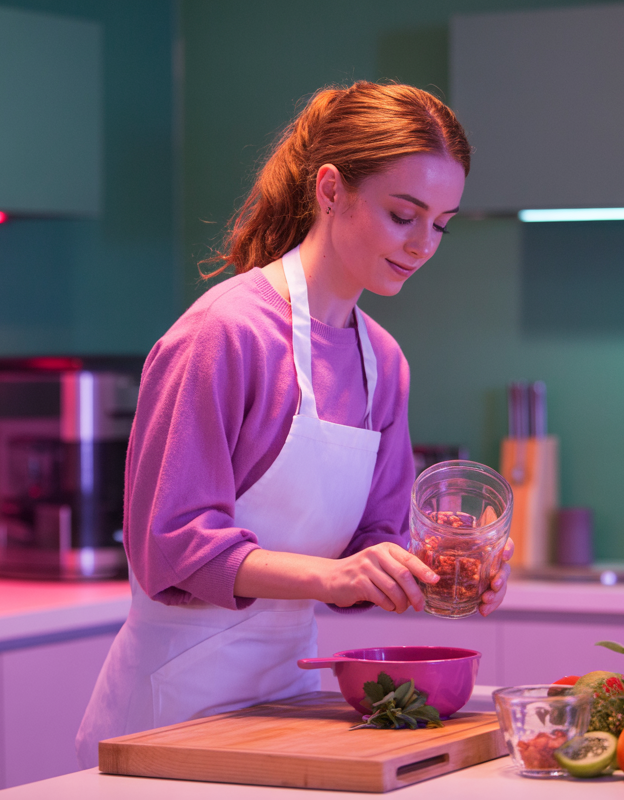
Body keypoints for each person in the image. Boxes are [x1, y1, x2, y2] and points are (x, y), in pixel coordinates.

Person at [75, 81, 513, 767]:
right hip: (173, 703)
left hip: (284, 697)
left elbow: (372, 542)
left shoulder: (383, 363)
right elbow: (171, 546)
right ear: (331, 190)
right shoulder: (223, 334)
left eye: (442, 224)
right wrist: (331, 579)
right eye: (404, 214)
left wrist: (441, 569)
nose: (424, 244)